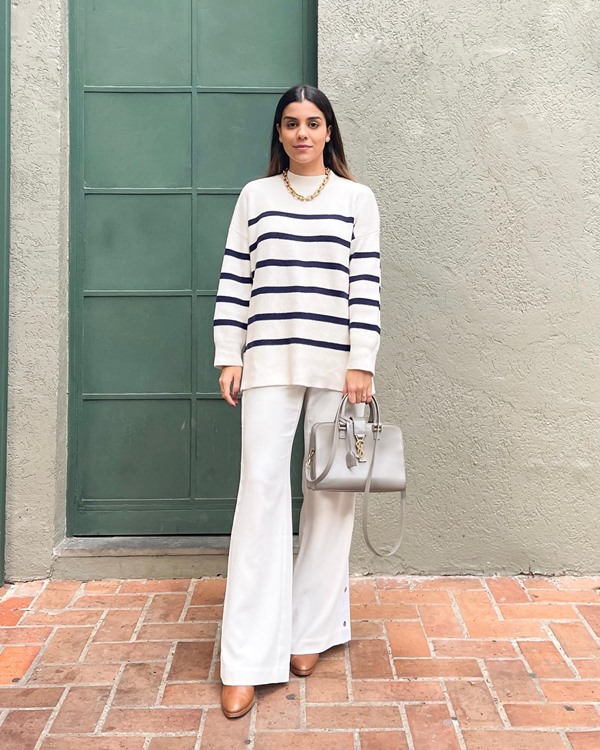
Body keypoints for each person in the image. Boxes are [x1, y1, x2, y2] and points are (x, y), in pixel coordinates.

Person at [213, 84, 381, 718]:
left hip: (336, 367)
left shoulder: (355, 200)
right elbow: (235, 275)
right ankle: (248, 657)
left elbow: (365, 282)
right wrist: (229, 352)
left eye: (313, 123)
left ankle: (310, 631)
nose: (303, 133)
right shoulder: (255, 198)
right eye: (291, 123)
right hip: (267, 360)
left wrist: (361, 362)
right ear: (278, 134)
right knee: (260, 492)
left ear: (329, 131)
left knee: (329, 494)